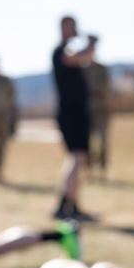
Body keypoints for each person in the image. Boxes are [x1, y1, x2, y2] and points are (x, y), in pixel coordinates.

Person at [52, 15, 98, 220]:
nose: (76, 29)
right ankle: (67, 205)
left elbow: (86, 57)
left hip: (76, 111)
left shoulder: (69, 49)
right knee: (77, 156)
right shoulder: (62, 50)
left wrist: (89, 47)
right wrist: (91, 42)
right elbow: (76, 57)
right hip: (71, 112)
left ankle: (69, 203)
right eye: (72, 26)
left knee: (76, 158)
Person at [84, 48, 112, 182]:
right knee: (88, 142)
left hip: (102, 110)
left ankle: (102, 170)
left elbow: (105, 86)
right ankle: (88, 170)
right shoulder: (82, 69)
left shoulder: (102, 69)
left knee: (102, 141)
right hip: (88, 112)